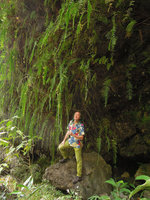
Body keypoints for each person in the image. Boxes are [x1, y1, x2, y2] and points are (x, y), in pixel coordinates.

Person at [58, 111, 85, 184]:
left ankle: (79, 176)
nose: (76, 116)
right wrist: (63, 141)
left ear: (79, 117)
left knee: (78, 159)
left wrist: (73, 135)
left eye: (78, 115)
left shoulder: (80, 125)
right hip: (70, 141)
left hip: (77, 143)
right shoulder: (71, 122)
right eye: (75, 114)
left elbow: (82, 137)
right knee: (60, 147)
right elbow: (68, 132)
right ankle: (65, 157)